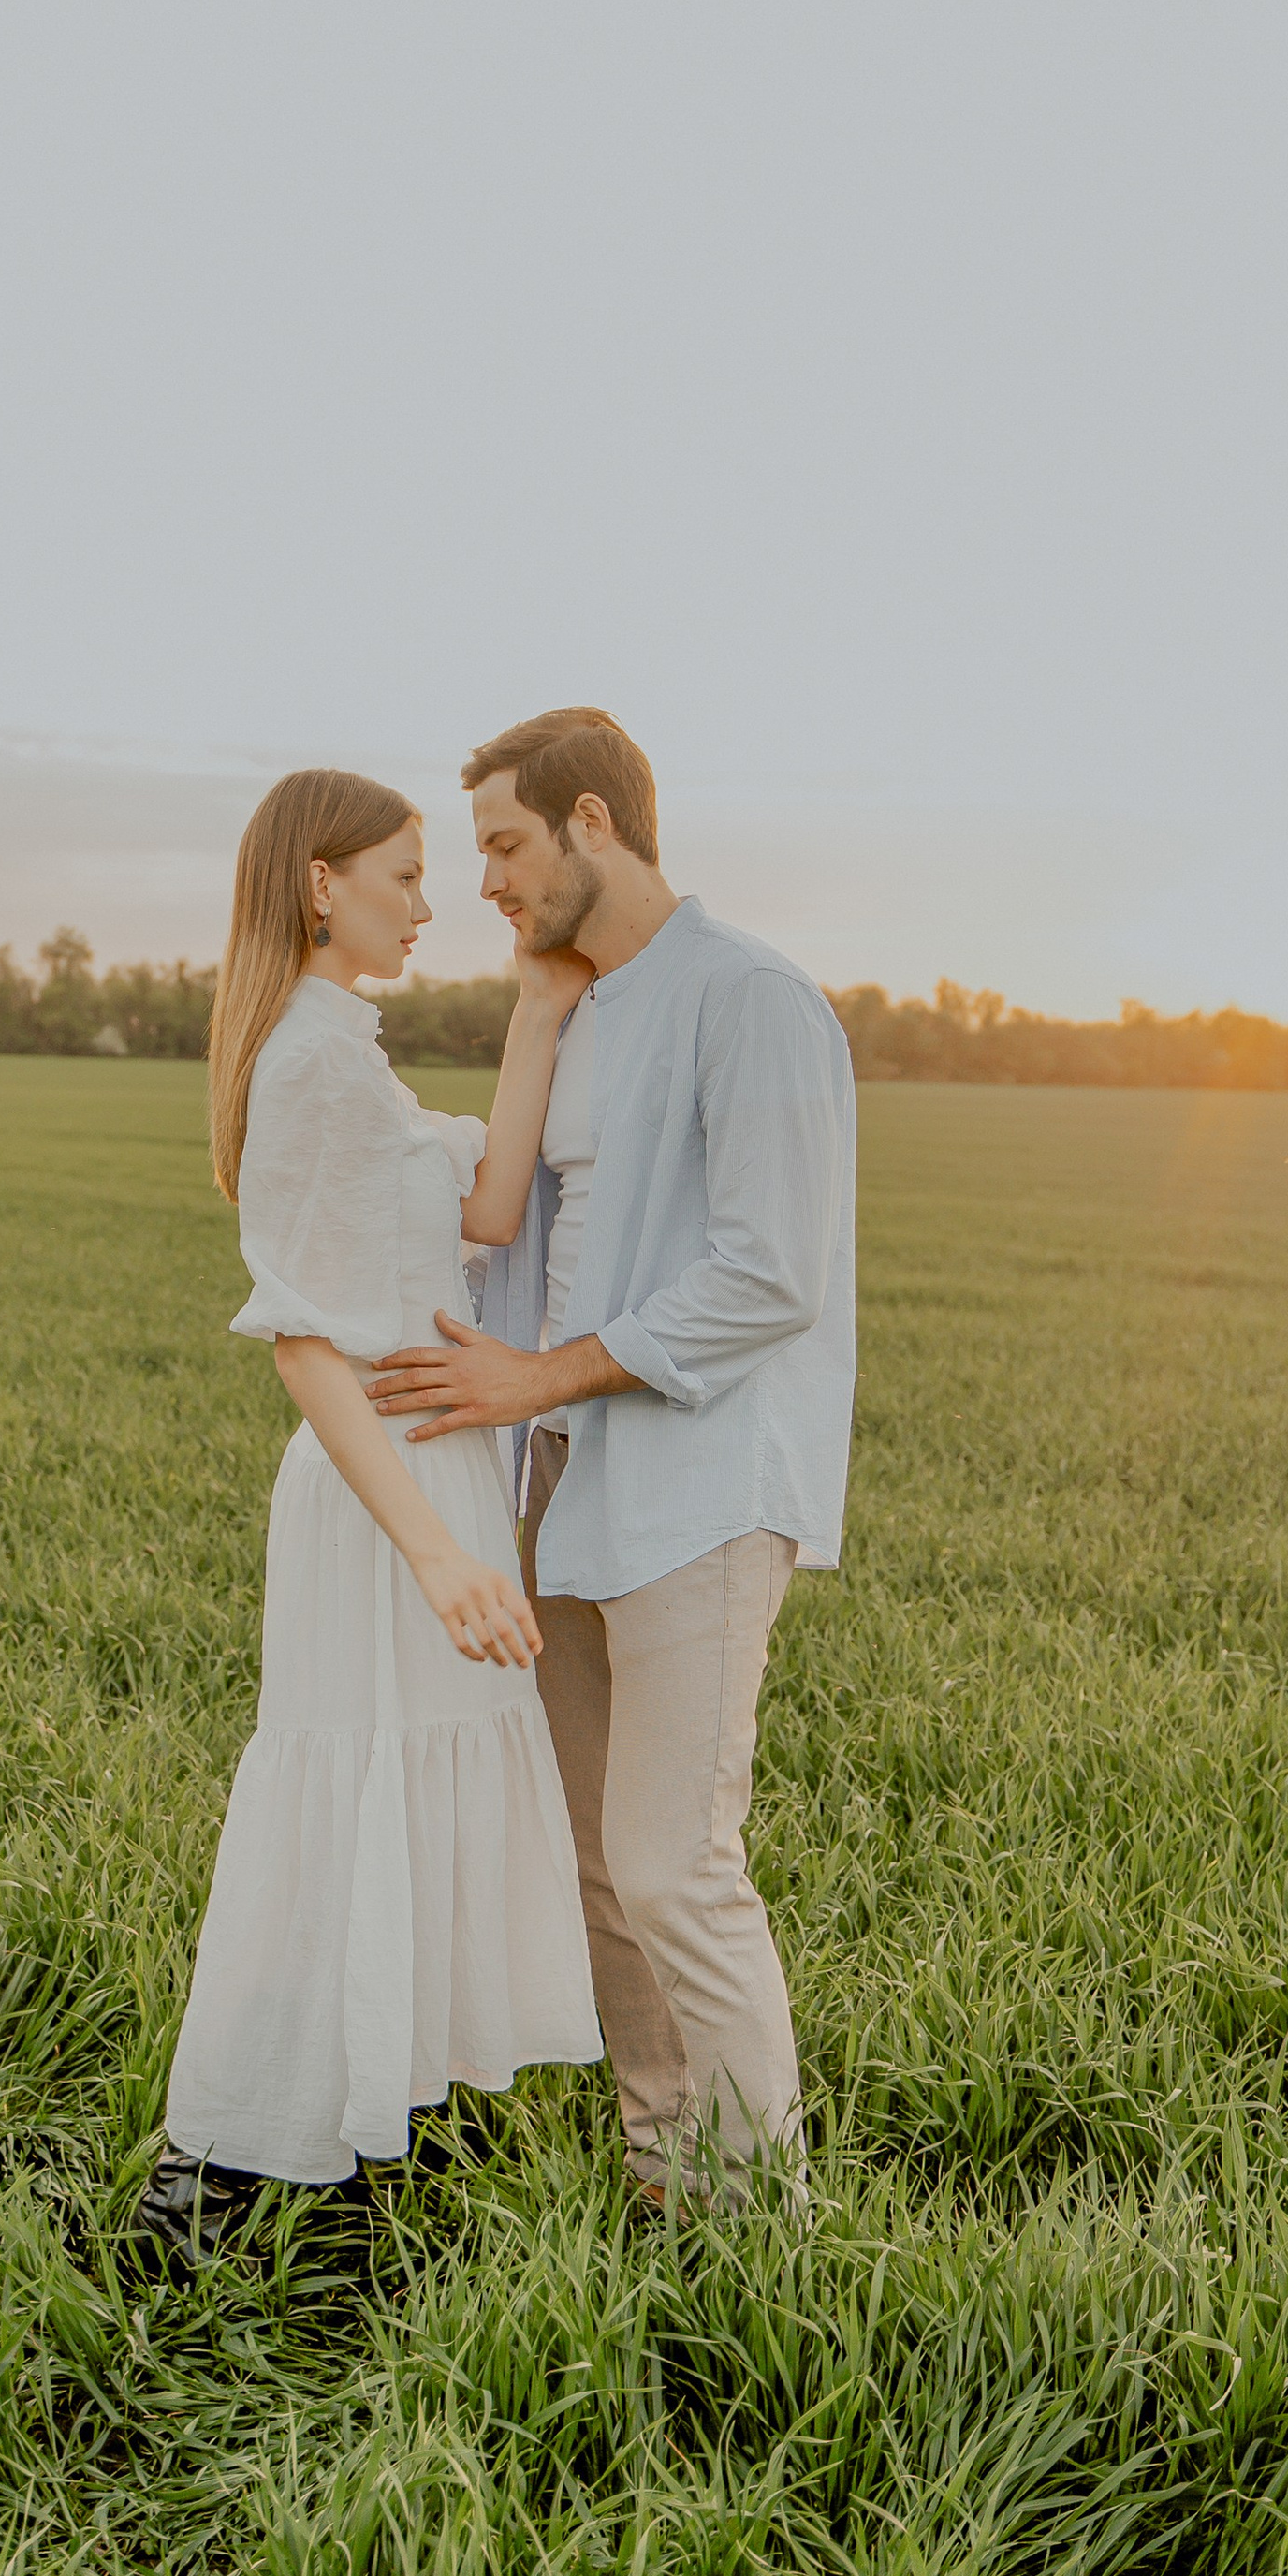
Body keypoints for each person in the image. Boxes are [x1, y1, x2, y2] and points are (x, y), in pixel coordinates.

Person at [364, 709, 856, 2213]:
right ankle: (666, 2181)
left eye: (506, 847)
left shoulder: (752, 996)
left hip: (703, 1486)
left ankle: (763, 2217)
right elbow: (524, 1220)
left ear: (592, 821)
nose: (489, 885)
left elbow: (772, 1272)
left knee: (671, 1866)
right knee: (598, 1871)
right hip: (565, 1483)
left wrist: (538, 1375)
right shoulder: (584, 1010)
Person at [140, 768, 602, 2259]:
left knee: (404, 1787)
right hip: (383, 1500)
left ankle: (355, 2144)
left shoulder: (358, 1058)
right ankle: (209, 2174)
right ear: (319, 884)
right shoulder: (311, 1065)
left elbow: (485, 1215)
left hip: (434, 1469)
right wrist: (438, 1554)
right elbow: (305, 1344)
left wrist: (538, 1009)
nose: (431, 898)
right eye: (403, 872)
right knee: (347, 1792)